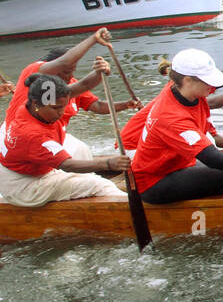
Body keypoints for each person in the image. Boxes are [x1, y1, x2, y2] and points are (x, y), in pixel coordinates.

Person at [131, 49, 223, 204]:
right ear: (187, 81)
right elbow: (213, 159)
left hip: (177, 164)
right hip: (153, 183)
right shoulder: (172, 118)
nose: (211, 84)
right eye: (207, 80)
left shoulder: (181, 87)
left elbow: (222, 79)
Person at [3, 27, 141, 159]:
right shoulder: (35, 73)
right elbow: (66, 63)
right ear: (52, 67)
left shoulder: (68, 85)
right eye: (66, 72)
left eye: (72, 72)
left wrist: (125, 103)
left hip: (51, 135)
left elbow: (96, 104)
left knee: (82, 150)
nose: (69, 77)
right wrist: (94, 39)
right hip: (18, 136)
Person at [0, 72, 131, 207]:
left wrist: (98, 71)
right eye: (56, 108)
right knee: (101, 185)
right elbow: (67, 165)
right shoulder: (33, 135)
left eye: (63, 106)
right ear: (36, 104)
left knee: (80, 148)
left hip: (22, 167)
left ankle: (83, 182)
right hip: (24, 186)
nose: (61, 112)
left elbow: (82, 86)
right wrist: (108, 164)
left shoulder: (35, 102)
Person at [118, 57, 223, 153]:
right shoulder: (182, 98)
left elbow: (218, 82)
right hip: (132, 147)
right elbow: (214, 103)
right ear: (188, 81)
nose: (209, 85)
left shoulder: (188, 89)